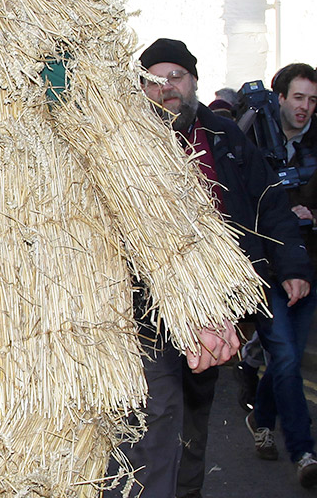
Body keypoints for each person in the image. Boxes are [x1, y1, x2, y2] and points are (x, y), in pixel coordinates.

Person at [132, 39, 314, 495]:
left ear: (194, 81)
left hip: (216, 303)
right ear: (140, 87)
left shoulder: (224, 136)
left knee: (195, 416)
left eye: (177, 76)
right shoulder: (129, 146)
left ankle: (188, 491)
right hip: (147, 307)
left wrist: (292, 264)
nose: (167, 86)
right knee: (156, 416)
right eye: (155, 79)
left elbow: (270, 204)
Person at [242, 62, 317, 474]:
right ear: (281, 97)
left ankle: (261, 418)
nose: (305, 107)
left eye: (312, 100)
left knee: (285, 360)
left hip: (309, 265)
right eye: (298, 97)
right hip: (268, 267)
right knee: (285, 355)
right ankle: (304, 451)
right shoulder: (251, 135)